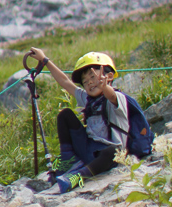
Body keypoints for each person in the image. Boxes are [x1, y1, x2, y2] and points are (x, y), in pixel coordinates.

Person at [28, 48, 129, 194]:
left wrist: (104, 86)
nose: (89, 83)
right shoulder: (87, 99)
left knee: (114, 151)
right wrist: (45, 60)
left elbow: (111, 96)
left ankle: (78, 176)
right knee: (65, 115)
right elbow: (65, 81)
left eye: (93, 77)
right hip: (89, 149)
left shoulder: (118, 98)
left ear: (110, 76)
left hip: (108, 155)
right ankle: (68, 162)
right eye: (85, 81)